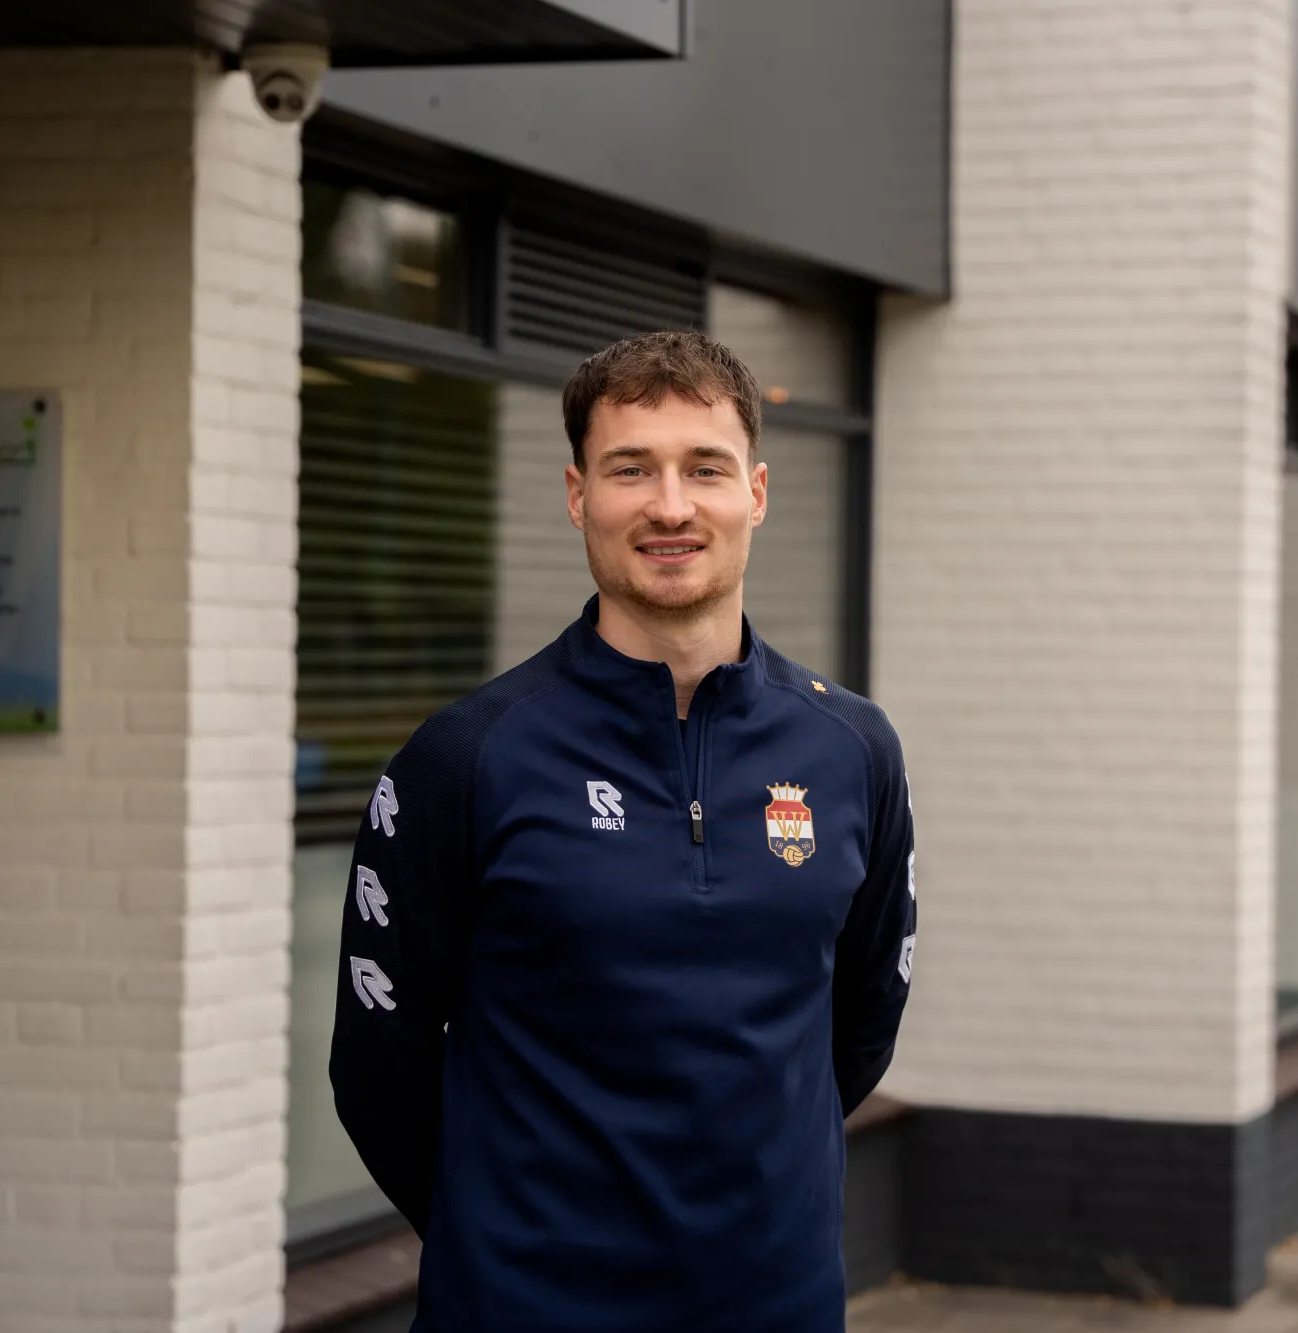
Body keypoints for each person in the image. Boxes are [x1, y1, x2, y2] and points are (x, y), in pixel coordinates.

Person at [329, 331, 918, 1331]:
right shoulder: (463, 758)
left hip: (775, 1308)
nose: (671, 506)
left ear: (756, 493)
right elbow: (378, 1068)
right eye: (630, 468)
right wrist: (502, 1234)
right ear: (577, 495)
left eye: (705, 468)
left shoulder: (852, 749)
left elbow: (859, 1027)